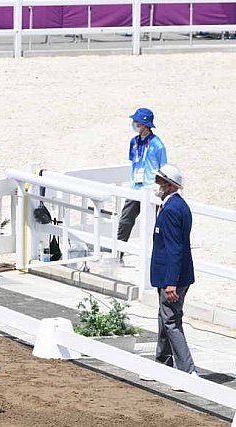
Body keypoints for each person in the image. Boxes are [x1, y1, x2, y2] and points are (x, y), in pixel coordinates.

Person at [149, 164, 198, 380]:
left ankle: (187, 370)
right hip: (177, 274)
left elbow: (174, 248)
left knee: (171, 321)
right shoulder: (179, 206)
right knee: (164, 317)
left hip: (172, 277)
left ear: (169, 186)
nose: (157, 185)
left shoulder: (170, 211)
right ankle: (162, 364)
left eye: (160, 181)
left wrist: (171, 282)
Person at [117, 108, 168, 250]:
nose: (133, 124)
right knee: (125, 220)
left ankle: (158, 252)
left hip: (152, 188)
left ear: (144, 124)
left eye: (136, 122)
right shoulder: (133, 142)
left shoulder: (157, 144)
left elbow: (163, 167)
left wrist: (161, 189)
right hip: (135, 187)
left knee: (157, 223)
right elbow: (134, 162)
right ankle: (119, 251)